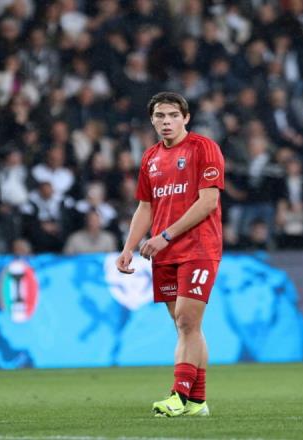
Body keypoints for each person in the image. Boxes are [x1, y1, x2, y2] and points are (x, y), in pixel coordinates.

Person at [115, 92, 224, 417]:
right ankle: (197, 402)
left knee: (187, 321)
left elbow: (208, 202)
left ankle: (178, 396)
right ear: (152, 120)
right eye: (160, 116)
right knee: (186, 327)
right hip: (164, 253)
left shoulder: (203, 148)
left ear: (186, 118)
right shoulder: (150, 157)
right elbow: (145, 207)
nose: (166, 121)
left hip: (199, 247)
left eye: (173, 115)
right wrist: (128, 247)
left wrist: (164, 236)